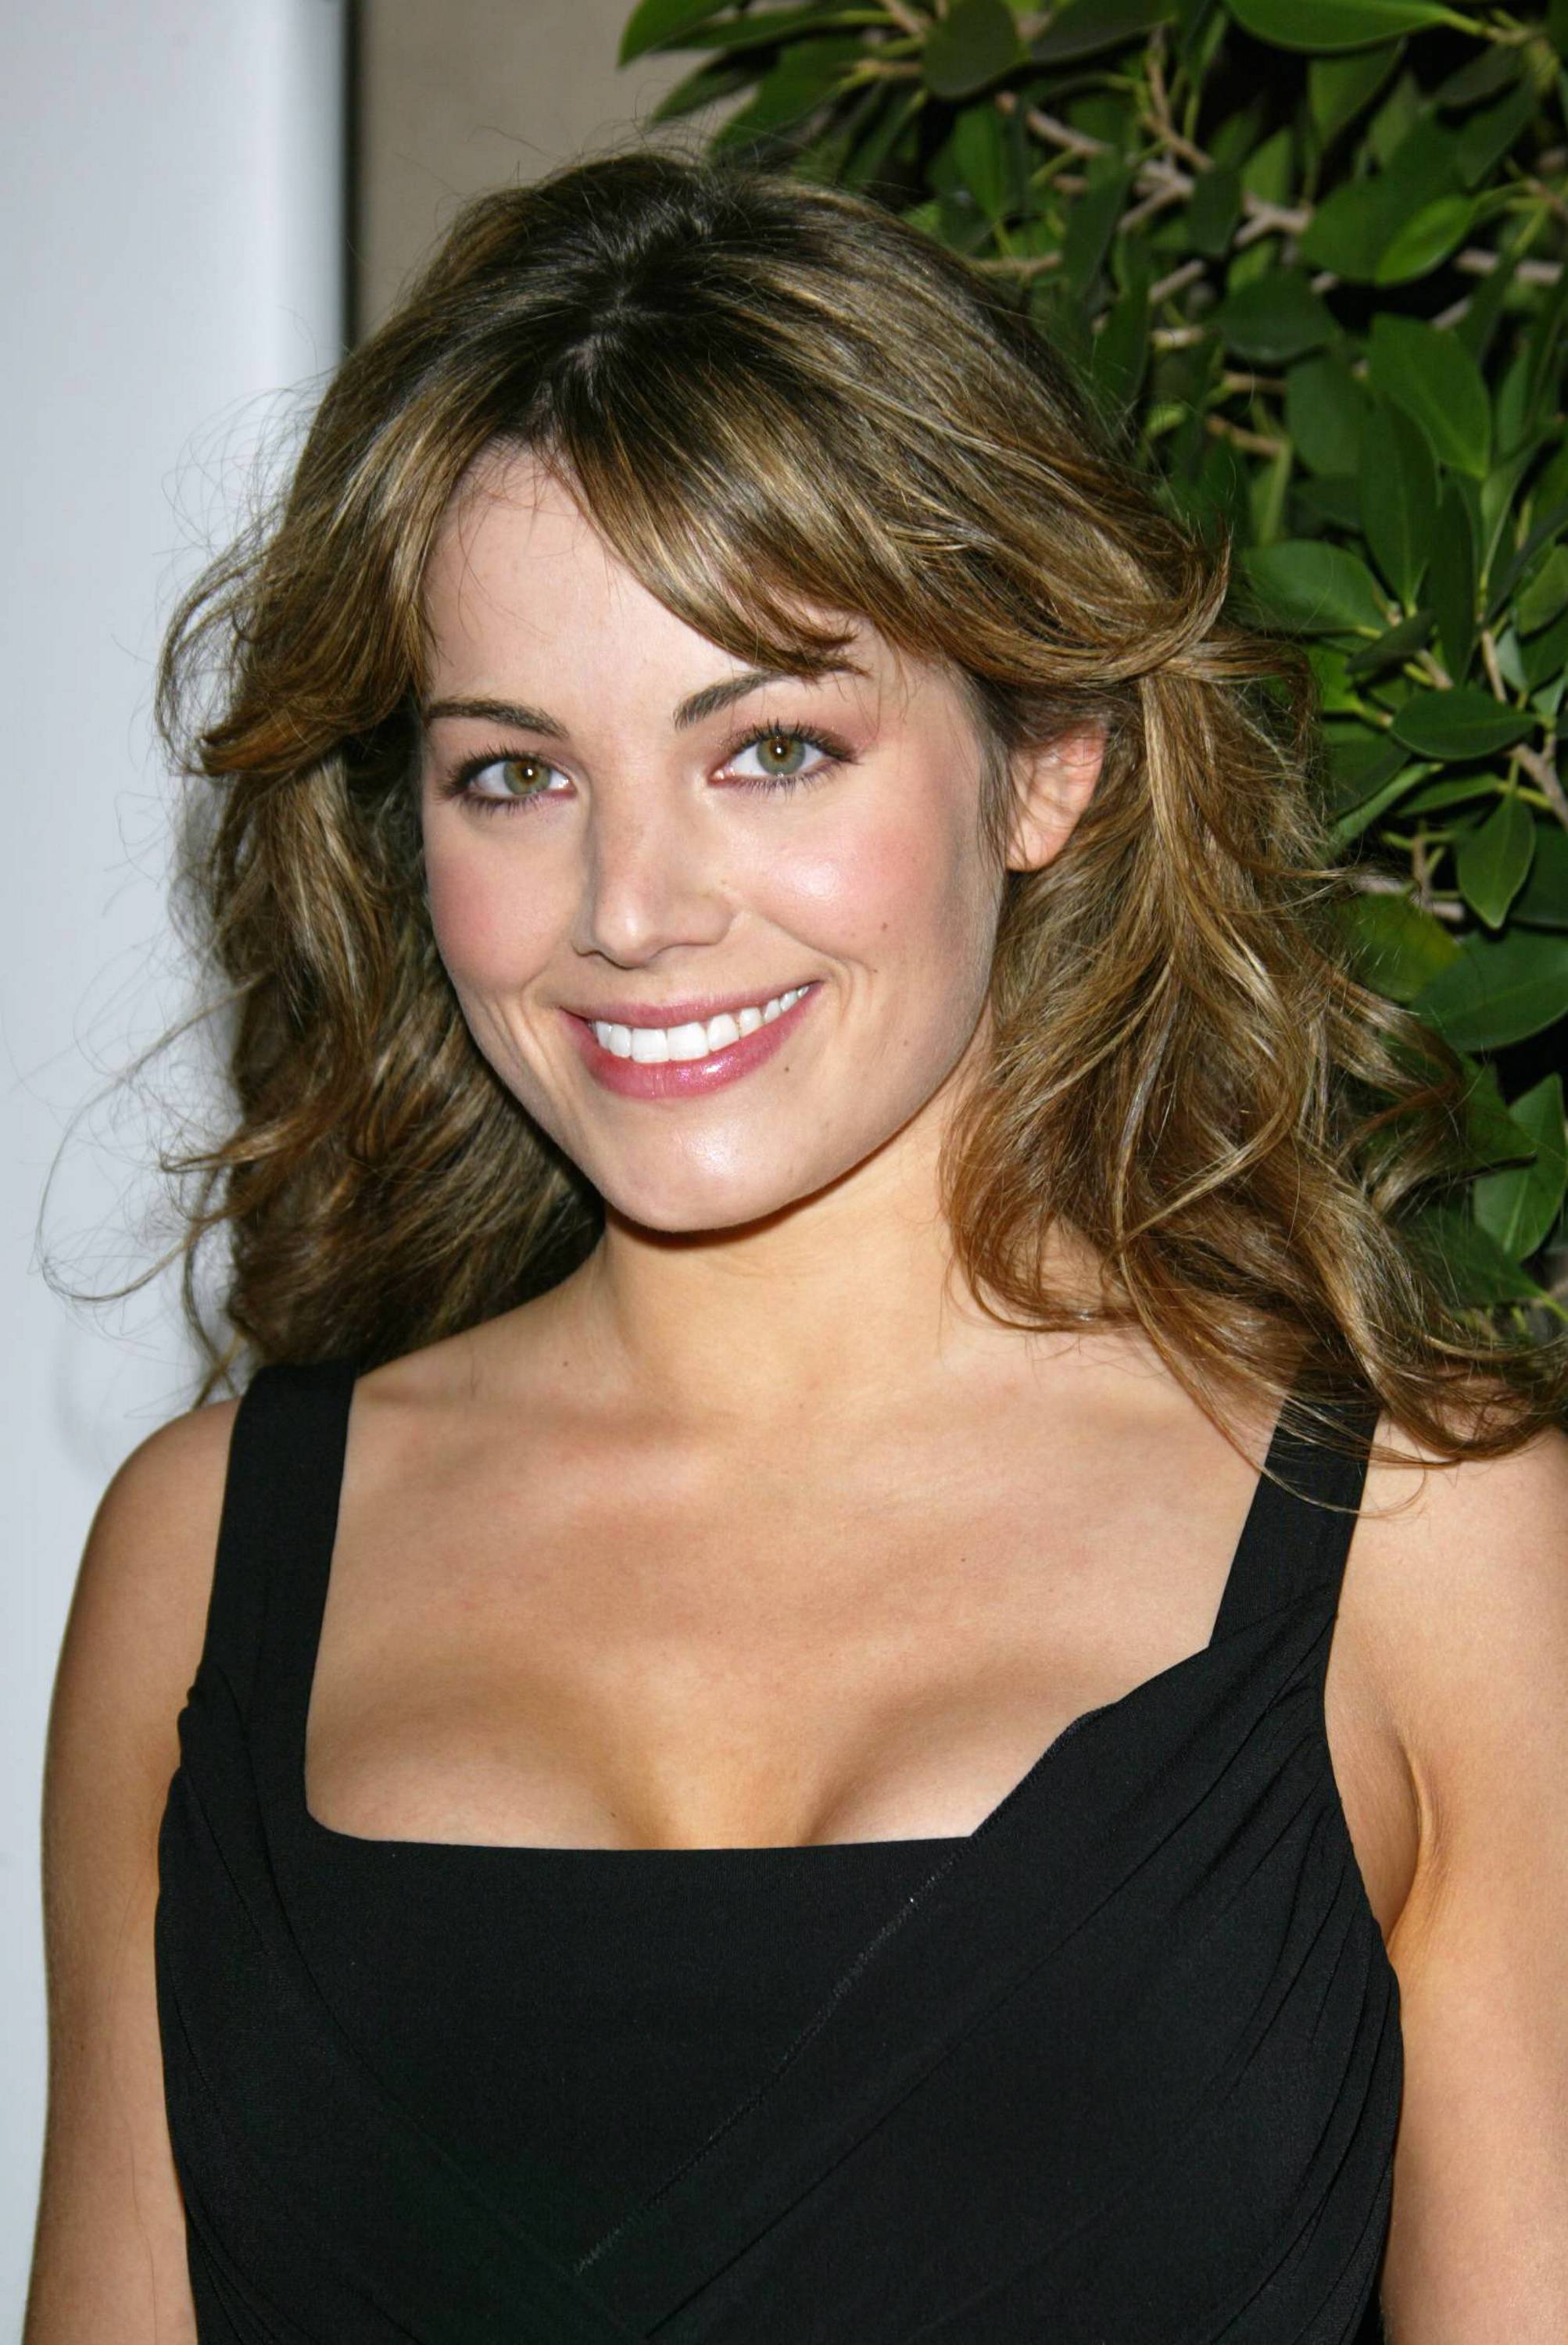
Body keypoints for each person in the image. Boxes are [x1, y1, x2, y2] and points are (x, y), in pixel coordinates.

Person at [23, 145, 1568, 2345]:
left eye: (768, 747)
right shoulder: (206, 1557)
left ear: (1047, 760)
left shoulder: (1437, 1544)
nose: (632, 909)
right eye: (513, 776)